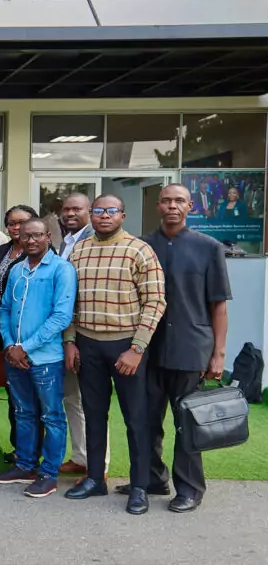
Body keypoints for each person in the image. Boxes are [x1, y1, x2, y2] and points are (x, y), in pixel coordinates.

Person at [63, 194, 166, 516]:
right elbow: (70, 300)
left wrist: (137, 348)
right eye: (99, 210)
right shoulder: (79, 250)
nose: (104, 216)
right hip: (88, 345)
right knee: (93, 415)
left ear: (122, 215)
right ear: (91, 215)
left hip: (126, 346)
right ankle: (95, 478)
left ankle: (140, 486)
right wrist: (70, 341)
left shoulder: (139, 250)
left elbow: (155, 301)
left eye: (111, 211)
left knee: (137, 419)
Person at [130, 184, 231, 513]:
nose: (172, 206)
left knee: (187, 423)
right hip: (148, 348)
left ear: (190, 207)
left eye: (179, 201)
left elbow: (218, 305)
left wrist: (218, 354)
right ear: (158, 206)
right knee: (146, 421)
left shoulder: (209, 248)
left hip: (190, 349)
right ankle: (151, 479)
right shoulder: (141, 246)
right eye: (167, 201)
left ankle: (189, 489)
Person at [0, 218, 76, 499]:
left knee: (52, 417)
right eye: (26, 236)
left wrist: (25, 347)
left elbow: (61, 316)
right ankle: (25, 466)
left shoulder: (61, 270)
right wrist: (9, 344)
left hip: (45, 359)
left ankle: (49, 474)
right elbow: (5, 308)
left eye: (37, 235)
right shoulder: (17, 270)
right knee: (23, 412)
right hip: (14, 356)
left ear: (48, 236)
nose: (30, 241)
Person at [56, 193, 104, 478]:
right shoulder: (68, 241)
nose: (70, 213)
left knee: (92, 402)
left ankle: (99, 466)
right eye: (66, 209)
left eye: (77, 209)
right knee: (72, 398)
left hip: (88, 332)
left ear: (90, 211)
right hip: (68, 332)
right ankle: (81, 456)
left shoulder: (95, 240)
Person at [0, 205, 38, 441]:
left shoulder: (40, 252)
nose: (17, 227)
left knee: (33, 396)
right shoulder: (2, 251)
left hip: (30, 334)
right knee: (14, 391)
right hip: (3, 330)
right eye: (11, 223)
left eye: (22, 222)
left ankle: (32, 449)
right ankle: (19, 446)